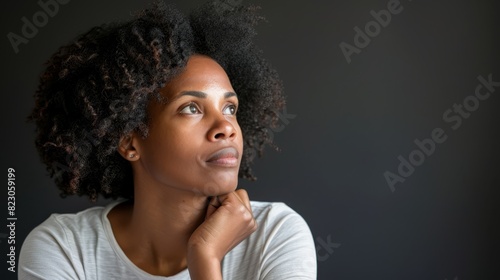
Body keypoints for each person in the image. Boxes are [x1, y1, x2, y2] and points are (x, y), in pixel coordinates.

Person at [19, 1, 317, 279]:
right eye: (191, 108)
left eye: (230, 108)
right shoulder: (64, 249)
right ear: (129, 141)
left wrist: (205, 258)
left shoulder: (276, 235)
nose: (226, 127)